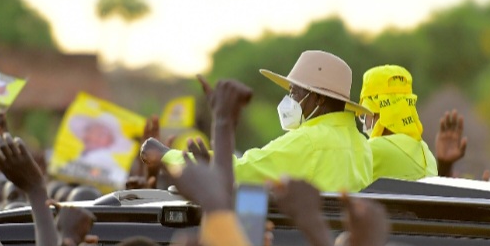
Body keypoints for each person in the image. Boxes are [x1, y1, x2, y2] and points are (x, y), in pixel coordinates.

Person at [143, 50, 373, 192]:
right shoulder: (361, 144)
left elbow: (240, 170)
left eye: (294, 93)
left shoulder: (308, 141)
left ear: (319, 98)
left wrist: (165, 154)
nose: (289, 100)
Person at [358, 65, 439, 182]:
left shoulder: (372, 149)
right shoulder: (426, 154)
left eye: (364, 114)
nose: (364, 120)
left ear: (377, 113)